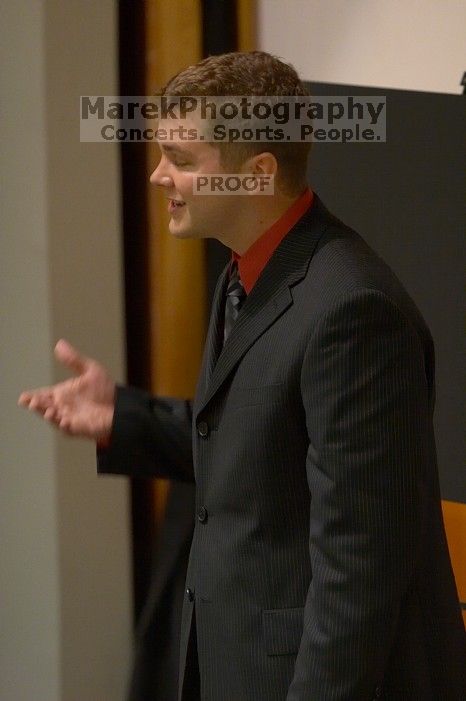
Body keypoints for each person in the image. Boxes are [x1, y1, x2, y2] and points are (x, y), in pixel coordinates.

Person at [19, 51, 465, 701]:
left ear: (256, 175)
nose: (157, 175)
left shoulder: (354, 313)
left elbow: (360, 573)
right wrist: (125, 416)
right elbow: (260, 444)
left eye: (183, 159)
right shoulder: (246, 268)